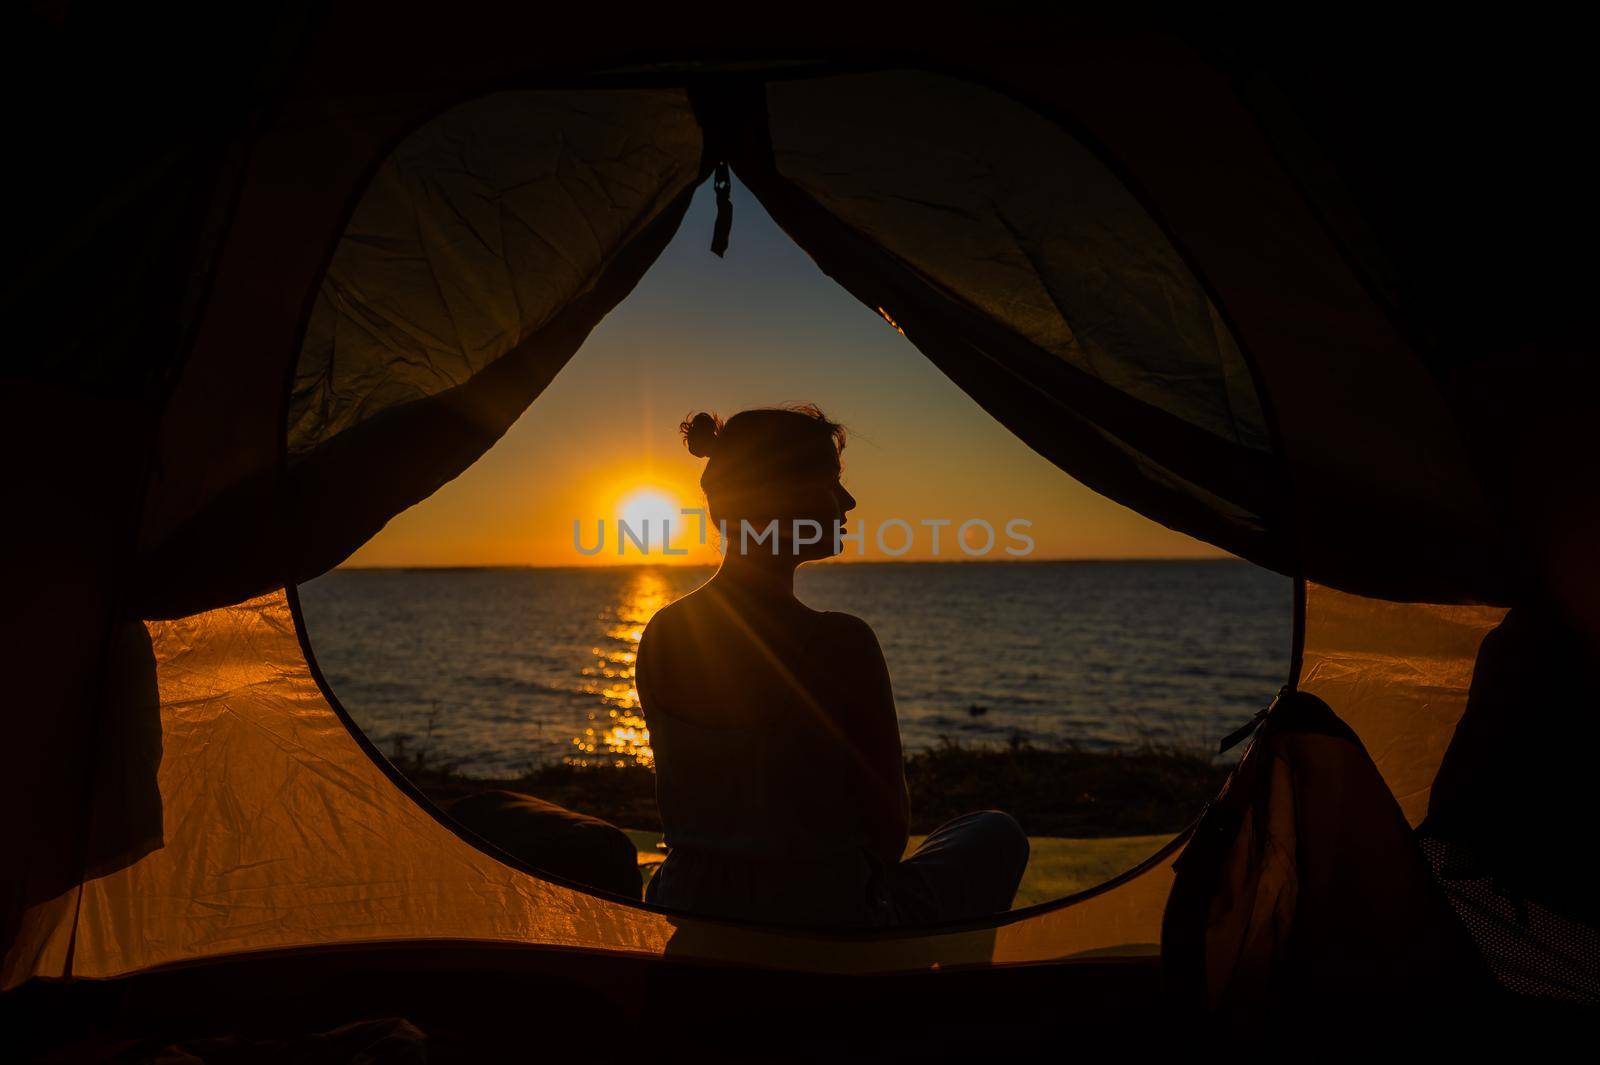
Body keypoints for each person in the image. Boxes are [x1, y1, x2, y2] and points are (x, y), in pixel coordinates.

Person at [635, 405, 1028, 927]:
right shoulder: (839, 642)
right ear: (777, 495)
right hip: (824, 923)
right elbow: (888, 838)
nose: (848, 501)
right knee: (996, 834)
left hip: (690, 903)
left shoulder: (662, 632)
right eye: (830, 481)